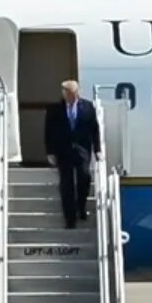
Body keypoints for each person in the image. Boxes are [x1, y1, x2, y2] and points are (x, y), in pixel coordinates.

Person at [44, 80, 102, 229]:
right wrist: (50, 152)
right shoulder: (55, 109)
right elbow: (48, 131)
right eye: (64, 92)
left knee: (85, 177)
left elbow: (95, 130)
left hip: (82, 150)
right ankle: (70, 219)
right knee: (66, 185)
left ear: (76, 93)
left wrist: (97, 150)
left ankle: (81, 206)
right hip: (63, 150)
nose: (66, 95)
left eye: (69, 92)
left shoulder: (87, 107)